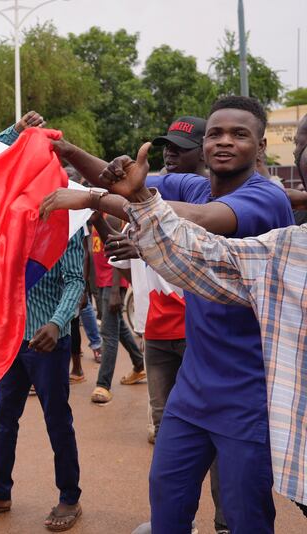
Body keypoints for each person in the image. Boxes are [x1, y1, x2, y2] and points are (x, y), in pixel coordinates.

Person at [42, 96, 295, 533]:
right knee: (167, 499)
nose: (224, 142)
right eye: (216, 133)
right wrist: (67, 152)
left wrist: (90, 198)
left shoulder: (266, 199)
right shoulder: (194, 183)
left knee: (245, 516)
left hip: (249, 394)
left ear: (261, 144)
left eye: (239, 134)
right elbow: (121, 179)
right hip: (193, 390)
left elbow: (196, 219)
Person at [0, 115, 84, 532]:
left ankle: (69, 497)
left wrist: (56, 322)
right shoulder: (7, 214)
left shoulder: (65, 219)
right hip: (10, 335)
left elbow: (76, 280)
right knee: (3, 415)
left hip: (48, 340)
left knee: (56, 419)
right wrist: (14, 132)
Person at [107, 116, 228, 534]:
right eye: (166, 146)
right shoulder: (148, 195)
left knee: (215, 437)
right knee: (167, 430)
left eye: (180, 146)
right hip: (155, 332)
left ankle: (225, 522)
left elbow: (188, 250)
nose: (170, 153)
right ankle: (177, 521)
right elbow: (122, 252)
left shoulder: (212, 206)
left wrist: (145, 245)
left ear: (203, 153)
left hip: (198, 335)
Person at [88, 212, 145, 403]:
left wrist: (115, 289)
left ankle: (103, 385)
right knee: (117, 327)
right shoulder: (94, 217)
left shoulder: (111, 216)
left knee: (108, 333)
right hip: (102, 282)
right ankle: (139, 364)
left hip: (113, 283)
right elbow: (92, 251)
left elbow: (118, 251)